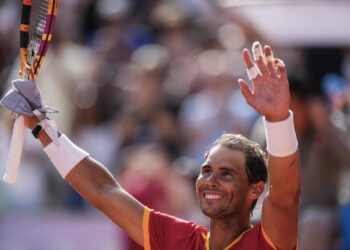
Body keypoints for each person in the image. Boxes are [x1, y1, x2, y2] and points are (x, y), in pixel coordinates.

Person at [3, 41, 300, 249]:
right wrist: (42, 127)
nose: (210, 180)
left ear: (256, 189)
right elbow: (103, 190)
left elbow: (286, 196)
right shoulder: (179, 240)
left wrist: (277, 121)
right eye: (207, 170)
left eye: (227, 173)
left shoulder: (268, 241)